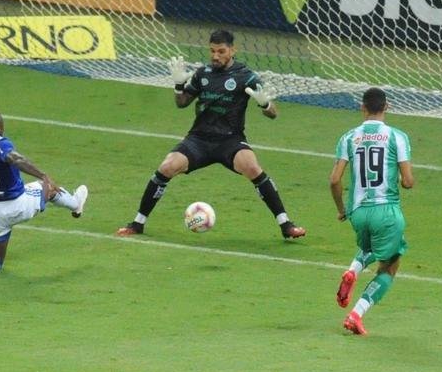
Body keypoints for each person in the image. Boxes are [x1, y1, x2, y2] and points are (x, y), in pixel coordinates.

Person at [116, 29, 306, 240]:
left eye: (221, 51)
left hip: (230, 140)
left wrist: (265, 103)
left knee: (252, 167)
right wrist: (179, 85)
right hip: (199, 139)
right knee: (167, 167)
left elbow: (273, 114)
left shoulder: (246, 76)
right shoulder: (203, 74)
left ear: (233, 50)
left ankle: (286, 225)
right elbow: (182, 103)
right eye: (212, 51)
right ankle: (137, 223)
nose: (215, 56)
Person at [0, 52, 88, 279]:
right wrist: (43, 174)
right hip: (16, 204)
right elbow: (16, 159)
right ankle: (75, 204)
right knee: (46, 188)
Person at [330, 87, 414, 336]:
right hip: (386, 211)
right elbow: (408, 182)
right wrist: (402, 180)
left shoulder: (348, 137)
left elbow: (334, 180)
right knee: (390, 264)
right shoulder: (397, 137)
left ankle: (352, 271)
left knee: (370, 246)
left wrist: (341, 210)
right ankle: (356, 315)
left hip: (358, 212)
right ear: (386, 107)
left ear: (362, 108)